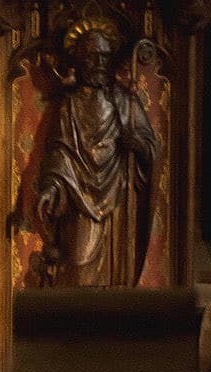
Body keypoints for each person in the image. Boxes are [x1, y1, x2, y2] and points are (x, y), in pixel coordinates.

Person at [34, 22, 159, 288]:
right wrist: (51, 188)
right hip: (80, 200)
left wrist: (135, 143)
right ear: (79, 60)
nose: (100, 63)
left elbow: (150, 147)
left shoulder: (125, 100)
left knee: (116, 277)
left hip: (119, 198)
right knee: (78, 265)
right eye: (92, 57)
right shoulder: (69, 105)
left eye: (104, 56)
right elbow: (59, 152)